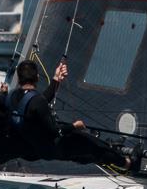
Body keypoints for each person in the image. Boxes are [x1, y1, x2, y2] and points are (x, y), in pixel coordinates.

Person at [8, 60, 137, 172]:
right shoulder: (37, 102)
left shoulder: (12, 97)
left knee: (81, 153)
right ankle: (128, 164)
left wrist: (56, 79)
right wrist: (74, 126)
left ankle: (106, 157)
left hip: (33, 150)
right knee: (93, 144)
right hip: (52, 149)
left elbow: (35, 103)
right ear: (37, 77)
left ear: (19, 78)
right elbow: (55, 131)